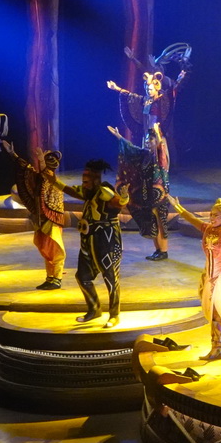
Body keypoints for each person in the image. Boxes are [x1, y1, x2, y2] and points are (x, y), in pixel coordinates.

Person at [51, 158, 129, 328]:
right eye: (83, 181)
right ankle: (94, 309)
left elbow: (118, 203)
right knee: (83, 276)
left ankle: (114, 315)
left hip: (106, 239)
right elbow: (71, 190)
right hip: (88, 240)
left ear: (95, 179)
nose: (83, 184)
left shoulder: (104, 191)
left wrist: (124, 197)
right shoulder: (88, 192)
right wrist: (53, 181)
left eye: (86, 181)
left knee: (110, 277)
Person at [170, 196, 221, 361]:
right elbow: (192, 219)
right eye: (211, 214)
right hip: (210, 277)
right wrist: (178, 207)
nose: (212, 218)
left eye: (216, 215)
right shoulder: (208, 229)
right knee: (213, 313)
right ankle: (216, 348)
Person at [2, 140, 67, 290]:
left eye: (48, 161)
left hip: (51, 219)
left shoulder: (51, 180)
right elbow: (26, 168)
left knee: (55, 248)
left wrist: (42, 161)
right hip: (41, 218)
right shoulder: (40, 178)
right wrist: (13, 154)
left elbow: (45, 172)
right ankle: (50, 277)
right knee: (45, 249)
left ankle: (56, 278)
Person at [107, 42, 190, 143]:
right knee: (147, 146)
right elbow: (131, 94)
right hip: (147, 130)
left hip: (160, 126)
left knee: (163, 146)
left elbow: (175, 87)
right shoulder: (146, 97)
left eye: (156, 68)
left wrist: (182, 73)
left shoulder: (164, 88)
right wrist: (133, 58)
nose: (153, 70)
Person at [110, 123, 170, 261]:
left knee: (159, 222)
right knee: (151, 222)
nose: (149, 142)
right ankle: (157, 250)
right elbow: (131, 149)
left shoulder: (160, 156)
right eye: (147, 140)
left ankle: (164, 251)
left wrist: (157, 132)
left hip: (159, 196)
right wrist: (119, 136)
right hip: (146, 195)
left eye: (152, 140)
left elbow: (161, 147)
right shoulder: (145, 155)